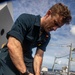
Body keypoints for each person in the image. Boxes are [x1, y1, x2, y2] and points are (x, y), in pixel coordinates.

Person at [0, 3, 72, 75]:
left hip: (27, 56)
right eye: (55, 23)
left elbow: (38, 56)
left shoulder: (47, 37)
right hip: (10, 53)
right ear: (48, 13)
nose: (55, 29)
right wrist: (26, 73)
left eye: (58, 27)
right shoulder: (26, 19)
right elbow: (13, 45)